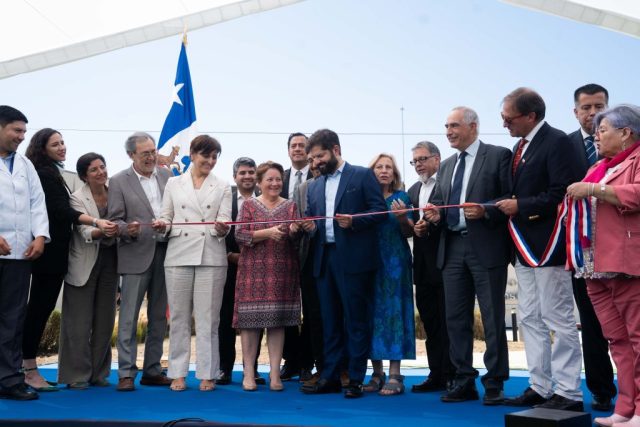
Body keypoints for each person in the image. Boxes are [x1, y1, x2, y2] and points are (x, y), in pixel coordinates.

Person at [497, 88, 584, 411]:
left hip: (549, 246)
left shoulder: (557, 142)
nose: (505, 123)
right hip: (523, 248)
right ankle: (540, 385)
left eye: (509, 117)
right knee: (530, 318)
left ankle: (569, 391)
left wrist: (522, 205)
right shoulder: (519, 147)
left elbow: (564, 192)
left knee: (558, 319)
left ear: (530, 116)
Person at [424, 107, 511, 405]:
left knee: (491, 318)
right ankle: (463, 379)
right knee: (456, 319)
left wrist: (486, 209)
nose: (448, 131)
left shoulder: (498, 155)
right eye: (446, 125)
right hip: (452, 249)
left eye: (454, 125)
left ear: (473, 126)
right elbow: (438, 203)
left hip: (486, 247)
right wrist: (433, 214)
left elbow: (509, 198)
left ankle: (495, 382)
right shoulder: (446, 166)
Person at [22, 128, 117, 392]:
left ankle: (29, 368)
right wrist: (96, 221)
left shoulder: (52, 173)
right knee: (38, 312)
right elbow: (62, 211)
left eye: (63, 142)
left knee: (40, 311)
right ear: (42, 148)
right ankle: (29, 370)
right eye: (55, 144)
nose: (62, 147)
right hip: (48, 255)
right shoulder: (44, 174)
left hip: (58, 255)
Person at [566, 105, 640, 427]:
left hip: (627, 263)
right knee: (617, 340)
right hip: (594, 267)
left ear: (626, 134)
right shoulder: (599, 166)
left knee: (637, 339)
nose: (596, 135)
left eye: (604, 129)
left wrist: (595, 190)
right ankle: (625, 408)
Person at [300, 129, 387, 399]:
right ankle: (330, 376)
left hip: (354, 260)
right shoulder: (313, 186)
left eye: (320, 156)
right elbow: (316, 220)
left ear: (336, 150)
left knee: (356, 321)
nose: (316, 162)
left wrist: (355, 220)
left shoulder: (361, 175)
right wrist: (308, 225)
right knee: (329, 321)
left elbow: (380, 212)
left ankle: (356, 379)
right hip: (323, 259)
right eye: (313, 158)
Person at [153, 135, 231, 392]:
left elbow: (225, 222)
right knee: (178, 318)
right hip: (178, 254)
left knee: (209, 319)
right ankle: (177, 372)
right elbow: (166, 216)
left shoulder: (222, 186)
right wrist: (161, 225)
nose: (210, 161)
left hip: (210, 256)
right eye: (205, 155)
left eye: (214, 157)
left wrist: (221, 229)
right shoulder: (174, 183)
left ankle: (208, 373)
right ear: (192, 154)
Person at [108, 131, 172, 391]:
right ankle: (125, 373)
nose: (151, 157)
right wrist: (126, 229)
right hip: (135, 253)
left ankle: (152, 370)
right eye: (145, 153)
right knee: (129, 318)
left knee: (159, 316)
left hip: (166, 252)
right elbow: (114, 220)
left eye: (153, 151)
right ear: (131, 154)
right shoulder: (118, 181)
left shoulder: (168, 176)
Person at [567, 83, 616, 411]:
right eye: (586, 107)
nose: (593, 113)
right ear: (576, 111)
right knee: (592, 322)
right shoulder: (563, 145)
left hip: (618, 246)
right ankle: (600, 389)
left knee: (627, 323)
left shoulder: (626, 144)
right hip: (579, 250)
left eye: (599, 106)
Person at [233, 161, 302, 392]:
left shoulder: (291, 206)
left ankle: (274, 373)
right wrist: (267, 233)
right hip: (253, 271)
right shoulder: (249, 205)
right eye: (269, 179)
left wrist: (295, 231)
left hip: (282, 271)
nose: (274, 183)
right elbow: (240, 235)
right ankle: (249, 373)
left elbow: (297, 238)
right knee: (250, 325)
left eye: (278, 179)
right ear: (259, 182)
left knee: (277, 323)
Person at [58, 153, 119, 389]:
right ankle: (76, 376)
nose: (100, 172)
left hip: (111, 261)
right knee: (78, 323)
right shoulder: (76, 198)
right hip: (83, 262)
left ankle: (99, 374)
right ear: (84, 175)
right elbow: (82, 232)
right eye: (94, 169)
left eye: (102, 167)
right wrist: (102, 230)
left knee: (105, 321)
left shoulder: (115, 193)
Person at [0, 106, 48, 401]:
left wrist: (40, 236)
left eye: (24, 132)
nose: (21, 137)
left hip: (19, 255)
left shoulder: (25, 164)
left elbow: (36, 201)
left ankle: (9, 379)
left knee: (13, 319)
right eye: (16, 131)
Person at [363, 153, 415, 396]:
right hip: (369, 261)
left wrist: (403, 217)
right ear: (371, 172)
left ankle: (395, 374)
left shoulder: (402, 197)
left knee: (394, 313)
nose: (384, 171)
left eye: (389, 168)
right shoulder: (364, 198)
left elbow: (409, 232)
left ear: (394, 174)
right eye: (379, 167)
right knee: (371, 313)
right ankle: (377, 372)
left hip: (395, 262)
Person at [407, 141, 455, 393]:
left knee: (450, 321)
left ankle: (452, 373)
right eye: (414, 161)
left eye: (422, 159)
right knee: (430, 321)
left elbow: (453, 217)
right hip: (423, 266)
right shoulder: (413, 190)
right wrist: (410, 225)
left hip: (448, 261)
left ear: (437, 159)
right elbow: (409, 224)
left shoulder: (448, 184)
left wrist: (435, 223)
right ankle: (435, 373)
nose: (418, 165)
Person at [218, 157, 263, 386]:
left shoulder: (265, 201)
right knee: (225, 318)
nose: (247, 176)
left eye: (251, 172)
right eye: (242, 173)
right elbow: (217, 228)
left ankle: (251, 370)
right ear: (235, 176)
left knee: (255, 319)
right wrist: (229, 255)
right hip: (228, 266)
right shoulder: (225, 198)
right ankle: (224, 368)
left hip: (257, 269)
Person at [279, 132, 315, 383]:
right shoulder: (278, 178)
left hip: (313, 250)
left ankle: (307, 362)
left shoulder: (321, 176)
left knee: (312, 308)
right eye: (294, 145)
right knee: (285, 307)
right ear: (288, 150)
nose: (298, 149)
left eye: (303, 145)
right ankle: (290, 361)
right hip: (282, 249)